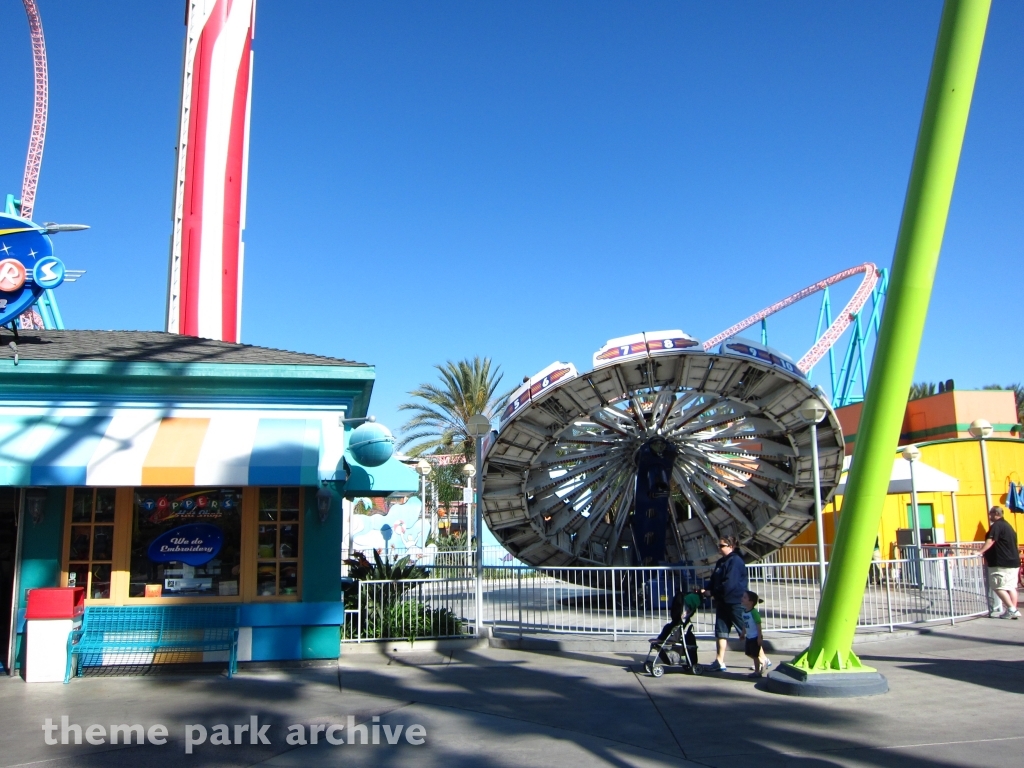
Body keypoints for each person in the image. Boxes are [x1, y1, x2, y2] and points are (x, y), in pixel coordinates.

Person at [703, 536, 747, 672]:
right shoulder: (721, 562)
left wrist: (713, 592)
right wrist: (707, 589)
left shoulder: (735, 561)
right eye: (719, 545)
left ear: (731, 546)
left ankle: (762, 658)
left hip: (735, 602)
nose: (719, 548)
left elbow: (730, 583)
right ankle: (719, 660)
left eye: (722, 546)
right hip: (722, 601)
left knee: (746, 632)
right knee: (721, 632)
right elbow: (715, 578)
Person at [979, 506, 1021, 619]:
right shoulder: (1008, 526)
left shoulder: (996, 526)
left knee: (998, 586)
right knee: (1011, 587)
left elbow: (990, 541)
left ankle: (1012, 609)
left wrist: (980, 552)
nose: (989, 516)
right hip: (1013, 561)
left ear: (996, 514)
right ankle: (1013, 610)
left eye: (990, 514)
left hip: (1001, 563)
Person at [739, 590, 771, 677]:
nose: (742, 598)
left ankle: (757, 672)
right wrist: (743, 634)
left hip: (755, 637)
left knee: (755, 655)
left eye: (745, 597)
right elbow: (745, 624)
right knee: (748, 653)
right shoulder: (744, 612)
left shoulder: (754, 613)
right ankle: (763, 662)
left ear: (751, 602)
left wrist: (759, 637)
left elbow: (758, 625)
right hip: (749, 637)